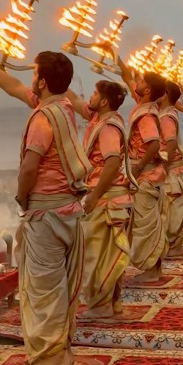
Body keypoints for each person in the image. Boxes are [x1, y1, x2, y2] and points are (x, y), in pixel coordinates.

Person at [12, 50, 90, 365]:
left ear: (42, 82)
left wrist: (20, 198)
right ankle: (60, 350)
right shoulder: (66, 109)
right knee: (58, 285)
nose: (31, 80)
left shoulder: (43, 118)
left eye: (34, 74)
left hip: (46, 215)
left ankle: (50, 356)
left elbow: (29, 168)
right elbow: (16, 88)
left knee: (44, 289)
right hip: (69, 211)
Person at [78, 80, 132, 320]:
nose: (90, 97)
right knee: (107, 254)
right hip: (110, 199)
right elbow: (74, 101)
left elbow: (111, 163)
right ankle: (111, 304)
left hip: (106, 199)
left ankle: (101, 306)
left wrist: (95, 195)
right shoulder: (101, 121)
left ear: (104, 101)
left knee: (98, 256)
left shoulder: (108, 126)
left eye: (94, 93)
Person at [123, 71, 168, 283]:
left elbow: (154, 144)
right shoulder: (144, 107)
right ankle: (153, 269)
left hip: (146, 175)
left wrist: (139, 166)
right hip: (147, 175)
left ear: (148, 90)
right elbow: (128, 78)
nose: (137, 83)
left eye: (141, 81)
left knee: (145, 225)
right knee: (147, 224)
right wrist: (116, 58)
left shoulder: (147, 115)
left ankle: (152, 271)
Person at [160, 80, 183, 256]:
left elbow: (171, 143)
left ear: (164, 94)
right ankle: (172, 245)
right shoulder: (167, 112)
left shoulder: (166, 116)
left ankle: (173, 246)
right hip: (172, 168)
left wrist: (164, 168)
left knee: (172, 210)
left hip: (171, 169)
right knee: (171, 209)